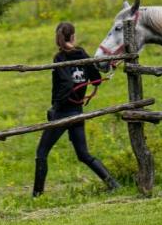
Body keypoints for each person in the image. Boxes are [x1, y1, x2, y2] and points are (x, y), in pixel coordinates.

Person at [32, 21, 120, 197]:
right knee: (83, 154)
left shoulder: (59, 59)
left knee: (41, 153)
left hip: (62, 114)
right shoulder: (83, 54)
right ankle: (114, 184)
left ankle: (37, 196)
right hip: (77, 112)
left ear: (58, 39)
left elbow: (66, 83)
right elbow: (95, 79)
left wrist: (55, 107)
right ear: (73, 36)